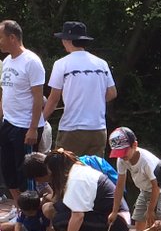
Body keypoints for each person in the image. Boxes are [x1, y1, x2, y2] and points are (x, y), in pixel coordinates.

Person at [31, 149, 129, 231]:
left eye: (50, 172)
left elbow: (78, 216)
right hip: (105, 216)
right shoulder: (77, 170)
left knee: (60, 221)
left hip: (117, 222)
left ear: (56, 171)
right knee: (56, 211)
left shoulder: (77, 180)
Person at [43, 21, 117, 155]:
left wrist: (40, 120)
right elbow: (112, 93)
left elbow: (54, 99)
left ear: (68, 40)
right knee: (94, 173)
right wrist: (94, 99)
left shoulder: (61, 64)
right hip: (98, 129)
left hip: (72, 128)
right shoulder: (101, 64)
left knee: (65, 171)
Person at [0, 19, 46, 217]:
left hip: (26, 126)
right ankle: (20, 209)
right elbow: (4, 93)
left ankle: (33, 216)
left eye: (0, 38)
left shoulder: (31, 61)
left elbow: (38, 99)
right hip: (8, 123)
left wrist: (33, 128)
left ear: (12, 37)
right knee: (7, 170)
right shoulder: (7, 61)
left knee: (25, 174)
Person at [107, 126, 161, 231]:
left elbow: (156, 186)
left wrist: (151, 210)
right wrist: (114, 210)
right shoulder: (122, 160)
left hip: (159, 191)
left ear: (134, 145)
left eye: (124, 152)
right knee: (139, 224)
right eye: (118, 153)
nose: (122, 156)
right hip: (144, 191)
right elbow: (119, 185)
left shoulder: (146, 161)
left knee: (152, 227)